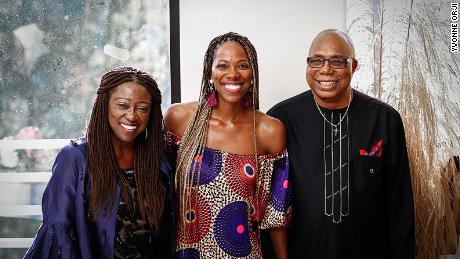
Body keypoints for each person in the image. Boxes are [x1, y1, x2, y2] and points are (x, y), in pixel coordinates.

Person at [266, 29, 415, 259]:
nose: (325, 69)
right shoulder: (280, 119)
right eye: (316, 61)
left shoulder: (385, 120)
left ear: (353, 66)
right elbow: (269, 205)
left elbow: (400, 205)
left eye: (337, 61)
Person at [24, 67, 174, 258]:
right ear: (104, 104)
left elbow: (166, 238)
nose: (132, 115)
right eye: (122, 105)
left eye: (143, 108)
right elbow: (59, 233)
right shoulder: (75, 158)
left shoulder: (158, 163)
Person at [164, 32, 291, 258]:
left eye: (242, 65)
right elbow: (159, 190)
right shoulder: (179, 119)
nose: (233, 74)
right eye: (223, 65)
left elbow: (275, 216)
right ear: (209, 72)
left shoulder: (268, 131)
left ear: (252, 74)